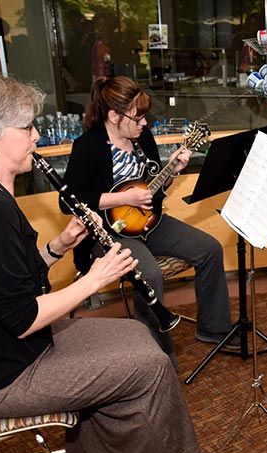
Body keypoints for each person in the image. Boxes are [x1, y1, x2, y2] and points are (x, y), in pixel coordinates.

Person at [0, 71, 225, 453]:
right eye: (27, 127)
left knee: (137, 335)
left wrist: (56, 248)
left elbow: (9, 283)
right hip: (2, 375)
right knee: (150, 365)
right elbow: (21, 318)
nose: (36, 136)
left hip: (11, 353)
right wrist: (95, 278)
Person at [63, 76, 234, 363]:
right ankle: (158, 354)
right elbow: (67, 201)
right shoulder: (89, 146)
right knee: (149, 274)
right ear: (114, 116)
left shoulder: (142, 139)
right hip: (107, 232)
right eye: (137, 117)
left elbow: (150, 193)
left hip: (147, 223)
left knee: (210, 249)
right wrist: (121, 199)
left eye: (145, 116)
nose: (144, 123)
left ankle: (214, 330)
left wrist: (172, 172)